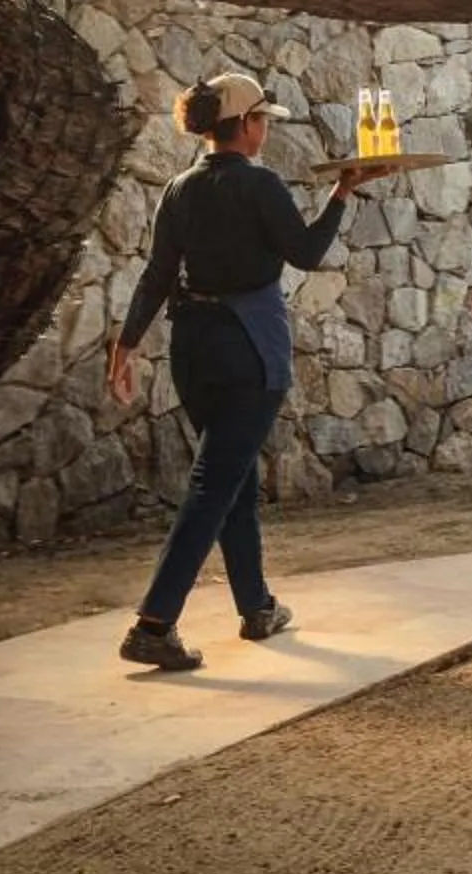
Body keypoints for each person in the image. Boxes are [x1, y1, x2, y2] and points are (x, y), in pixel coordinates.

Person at [108, 70, 368, 670]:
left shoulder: (178, 189)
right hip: (247, 349)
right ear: (247, 125)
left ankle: (257, 607)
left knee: (233, 480)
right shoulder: (260, 184)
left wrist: (126, 344)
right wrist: (341, 194)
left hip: (192, 350)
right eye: (262, 123)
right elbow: (305, 253)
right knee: (213, 485)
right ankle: (153, 623)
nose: (265, 134)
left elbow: (156, 276)